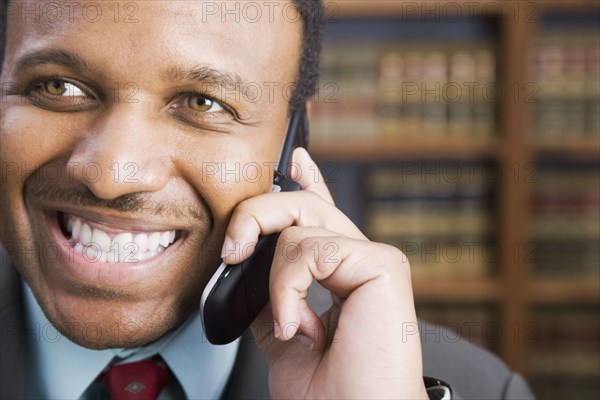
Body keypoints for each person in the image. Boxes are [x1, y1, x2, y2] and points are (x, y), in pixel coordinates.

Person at [0, 1, 534, 399]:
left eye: (203, 102)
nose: (113, 175)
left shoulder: (482, 390)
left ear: (291, 146)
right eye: (58, 87)